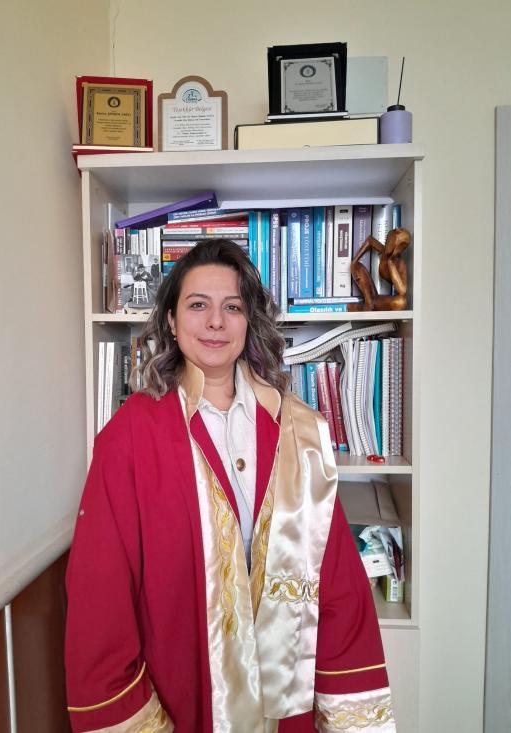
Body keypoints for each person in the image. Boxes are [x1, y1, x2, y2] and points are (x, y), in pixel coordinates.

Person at [65, 239, 395, 733]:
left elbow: (337, 584)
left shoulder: (299, 431)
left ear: (249, 322)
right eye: (198, 305)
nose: (216, 322)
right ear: (171, 321)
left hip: (285, 704)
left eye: (233, 307)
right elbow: (101, 598)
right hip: (182, 697)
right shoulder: (129, 438)